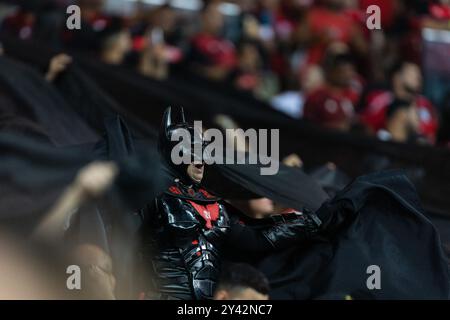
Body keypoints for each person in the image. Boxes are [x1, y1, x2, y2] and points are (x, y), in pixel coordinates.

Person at [139, 107, 323, 300]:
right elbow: (121, 239)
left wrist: (315, 221)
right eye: (192, 152)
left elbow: (255, 239)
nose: (201, 161)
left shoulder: (214, 204)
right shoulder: (151, 196)